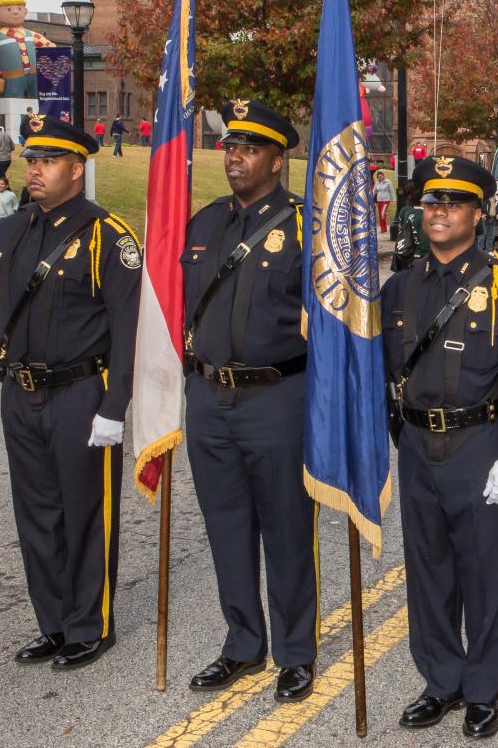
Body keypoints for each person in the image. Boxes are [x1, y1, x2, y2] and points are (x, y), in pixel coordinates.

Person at [0, 114, 139, 670]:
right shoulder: (13, 229)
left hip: (81, 394)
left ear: (76, 169)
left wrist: (115, 408)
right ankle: (56, 624)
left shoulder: (107, 236)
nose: (33, 170)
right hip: (21, 393)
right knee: (36, 514)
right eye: (31, 161)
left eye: (47, 162)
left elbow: (131, 329)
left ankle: (92, 624)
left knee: (85, 513)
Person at [382, 155, 498, 741]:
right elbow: (383, 369)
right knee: (427, 571)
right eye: (430, 202)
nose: (439, 212)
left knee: (482, 575)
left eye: (453, 202)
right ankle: (440, 681)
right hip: (418, 446)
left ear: (480, 213)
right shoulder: (399, 286)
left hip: (480, 445)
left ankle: (481, 690)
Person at [180, 101, 317, 704]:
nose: (233, 156)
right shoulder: (203, 224)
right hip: (210, 398)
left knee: (286, 528)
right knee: (226, 527)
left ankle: (294, 651)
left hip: (278, 397)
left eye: (249, 147)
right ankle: (242, 642)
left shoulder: (307, 227)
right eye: (230, 145)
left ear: (277, 159)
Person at [391, 181, 430, 272]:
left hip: (405, 252)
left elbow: (401, 229)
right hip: (420, 256)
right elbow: (424, 242)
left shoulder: (405, 210)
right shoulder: (423, 215)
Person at [373, 168, 395, 233]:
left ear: (383, 176)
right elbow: (374, 191)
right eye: (379, 177)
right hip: (379, 200)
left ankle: (383, 228)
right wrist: (370, 198)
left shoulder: (388, 182)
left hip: (386, 200)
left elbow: (392, 191)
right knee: (380, 214)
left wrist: (394, 200)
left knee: (383, 213)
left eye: (381, 176)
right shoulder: (377, 183)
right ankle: (383, 228)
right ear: (377, 178)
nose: (380, 177)